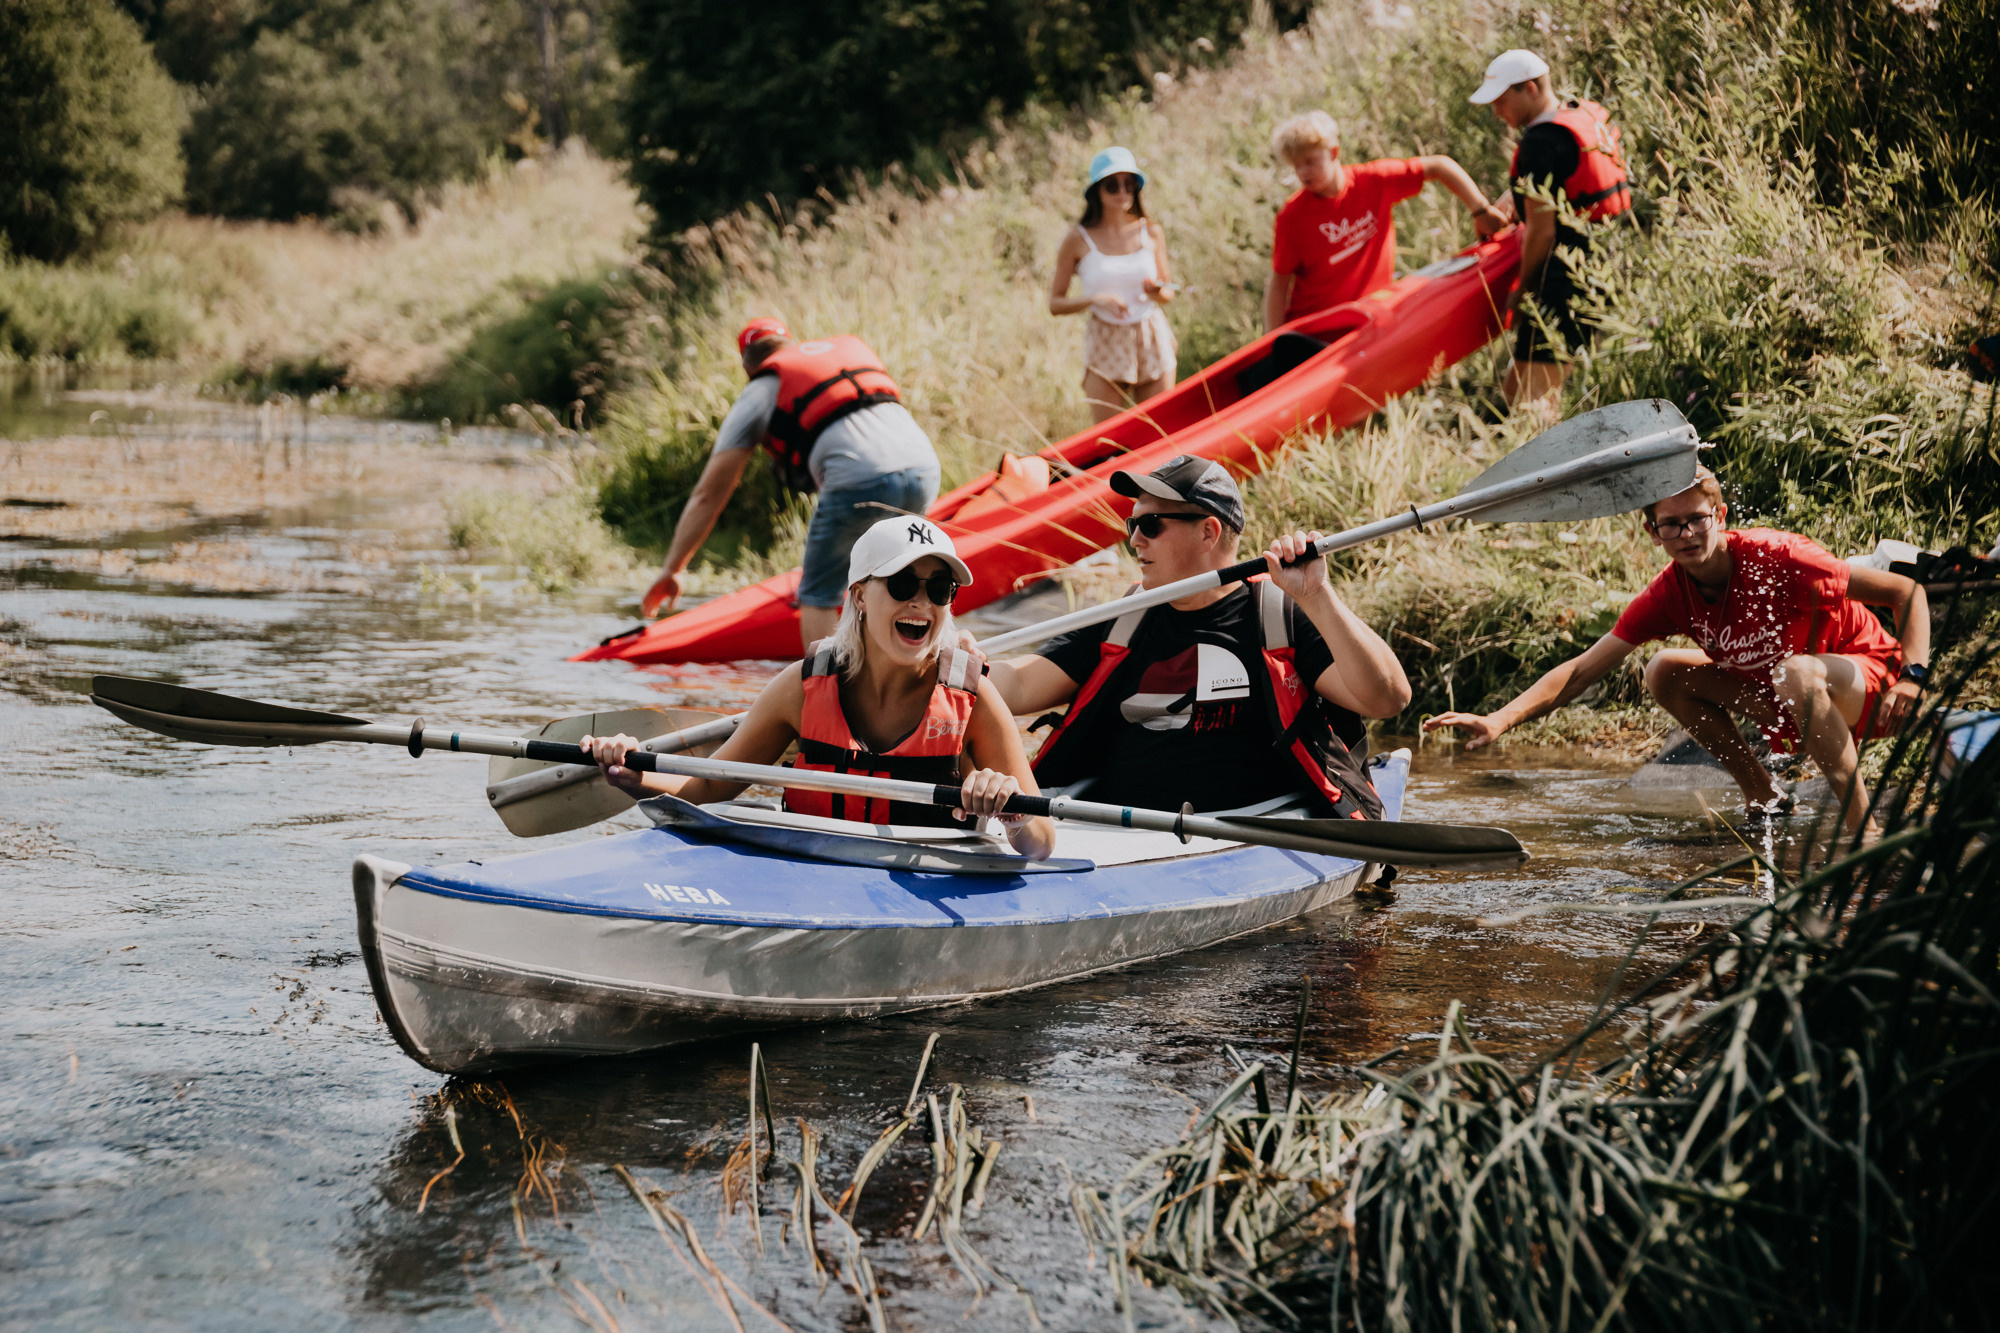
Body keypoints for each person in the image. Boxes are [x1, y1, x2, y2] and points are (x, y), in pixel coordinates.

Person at [1422, 469, 1930, 836]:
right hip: (1790, 697)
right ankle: (1764, 795)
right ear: (1653, 532)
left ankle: (1863, 829)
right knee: (1663, 670)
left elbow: (1906, 593)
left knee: (1796, 671)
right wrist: (1500, 721)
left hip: (1871, 689)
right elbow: (1581, 671)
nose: (1686, 535)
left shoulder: (1781, 556)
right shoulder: (1668, 592)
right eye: (1671, 525)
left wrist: (1913, 677)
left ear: (1720, 515)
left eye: (1697, 520)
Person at [589, 516, 1056, 860]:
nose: (921, 601)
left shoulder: (973, 699)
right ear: (858, 596)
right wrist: (637, 777)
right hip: (812, 868)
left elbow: (1041, 844)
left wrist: (1012, 812)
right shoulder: (802, 685)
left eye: (940, 589)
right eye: (901, 583)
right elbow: (711, 783)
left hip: (921, 885)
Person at [981, 455, 1412, 816]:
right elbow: (1017, 683)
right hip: (1118, 830)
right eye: (1131, 526)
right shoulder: (1123, 618)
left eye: (1150, 525)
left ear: (1209, 531)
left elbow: (1387, 699)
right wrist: (959, 663)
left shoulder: (1281, 617)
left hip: (1253, 830)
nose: (1134, 541)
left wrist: (1318, 596)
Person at [639, 319, 942, 652]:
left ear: (747, 365)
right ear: (790, 343)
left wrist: (672, 569)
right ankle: (899, 680)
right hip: (925, 470)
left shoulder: (760, 389)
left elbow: (708, 494)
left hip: (856, 480)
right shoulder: (842, 357)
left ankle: (827, 695)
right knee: (898, 581)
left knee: (818, 595)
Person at [1469, 49, 1633, 409]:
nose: (1497, 112)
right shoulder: (1580, 114)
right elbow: (1554, 183)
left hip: (1563, 281)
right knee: (1516, 391)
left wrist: (1522, 291)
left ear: (1529, 88)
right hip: (1603, 267)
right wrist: (1507, 205)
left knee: (1537, 403)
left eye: (1500, 101)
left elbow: (1542, 232)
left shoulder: (1540, 142)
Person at [1264, 110, 1508, 331]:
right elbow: (1278, 283)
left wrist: (1480, 210)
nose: (1303, 173)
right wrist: (1273, 343)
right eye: (1297, 166)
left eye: (1309, 161)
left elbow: (1438, 165)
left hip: (1370, 321)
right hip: (1316, 333)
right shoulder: (1293, 217)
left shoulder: (1372, 181)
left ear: (1333, 152)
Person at [1048, 147, 1179, 424]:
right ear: (1097, 191)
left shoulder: (1151, 231)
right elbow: (1055, 304)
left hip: (1150, 333)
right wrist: (1095, 298)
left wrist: (1158, 291)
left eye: (1129, 184)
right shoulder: (1077, 239)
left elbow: (1167, 293)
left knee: (1160, 430)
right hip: (1105, 338)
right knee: (1109, 439)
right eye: (1112, 185)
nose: (1122, 191)